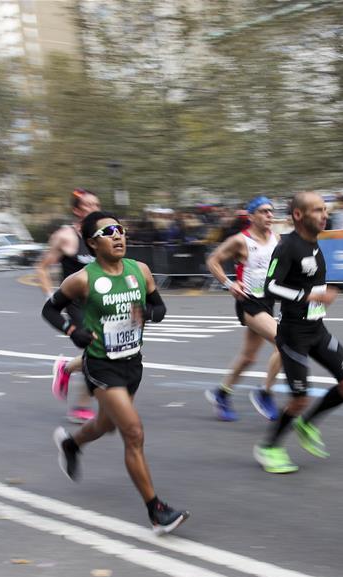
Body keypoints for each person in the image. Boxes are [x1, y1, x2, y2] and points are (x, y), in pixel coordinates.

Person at [42, 211, 189, 534]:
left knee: (106, 425)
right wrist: (72, 331)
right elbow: (50, 309)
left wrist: (147, 313)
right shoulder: (82, 279)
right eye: (109, 232)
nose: (118, 235)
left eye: (120, 229)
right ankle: (156, 511)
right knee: (133, 433)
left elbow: (161, 310)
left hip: (132, 363)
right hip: (101, 365)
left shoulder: (141, 271)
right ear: (93, 243)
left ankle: (72, 445)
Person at [255, 191, 343, 474]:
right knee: (299, 399)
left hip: (317, 329)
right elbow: (271, 287)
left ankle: (308, 424)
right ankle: (269, 448)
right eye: (317, 210)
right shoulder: (287, 246)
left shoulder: (314, 245)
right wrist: (308, 296)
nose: (324, 214)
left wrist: (319, 295)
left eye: (325, 209)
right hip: (292, 334)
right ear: (299, 215)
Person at [204, 196, 282, 421]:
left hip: (267, 302)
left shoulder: (276, 238)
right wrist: (229, 284)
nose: (269, 215)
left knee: (248, 357)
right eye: (264, 212)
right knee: (285, 342)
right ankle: (264, 393)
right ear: (251, 216)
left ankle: (221, 393)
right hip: (248, 302)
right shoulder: (240, 240)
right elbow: (212, 261)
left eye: (271, 211)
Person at [36, 188, 100, 424]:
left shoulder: (103, 235)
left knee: (108, 351)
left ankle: (66, 367)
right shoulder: (66, 236)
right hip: (76, 303)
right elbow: (42, 267)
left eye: (97, 205)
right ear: (76, 210)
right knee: (95, 350)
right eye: (89, 205)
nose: (94, 209)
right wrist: (50, 297)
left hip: (102, 301)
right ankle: (82, 406)